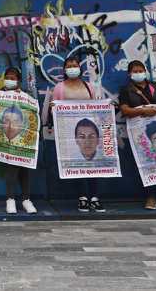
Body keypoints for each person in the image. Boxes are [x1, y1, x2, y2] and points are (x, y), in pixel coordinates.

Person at [47, 56, 110, 213]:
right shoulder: (59, 88)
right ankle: (82, 197)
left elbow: (95, 106)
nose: (72, 68)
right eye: (69, 66)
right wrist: (53, 107)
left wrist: (107, 106)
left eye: (75, 65)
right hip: (69, 131)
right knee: (75, 162)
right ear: (65, 70)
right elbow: (53, 110)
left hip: (88, 130)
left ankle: (94, 198)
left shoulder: (89, 86)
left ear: (79, 68)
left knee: (93, 162)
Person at [119, 60, 156, 211]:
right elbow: (125, 110)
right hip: (141, 132)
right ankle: (151, 197)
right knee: (148, 161)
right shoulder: (126, 89)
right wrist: (143, 111)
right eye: (135, 71)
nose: (138, 73)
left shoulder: (155, 86)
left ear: (145, 72)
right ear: (130, 74)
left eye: (141, 70)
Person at [0, 67, 38, 215]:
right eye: (7, 78)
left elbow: (34, 109)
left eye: (12, 78)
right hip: (5, 138)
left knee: (25, 168)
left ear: (19, 80)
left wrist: (21, 95)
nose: (9, 81)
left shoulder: (26, 94)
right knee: (11, 169)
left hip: (22, 138)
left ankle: (26, 200)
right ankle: (10, 199)